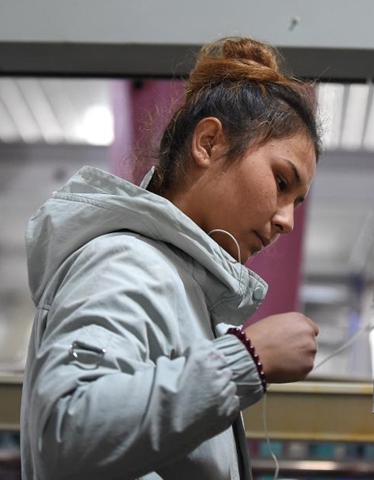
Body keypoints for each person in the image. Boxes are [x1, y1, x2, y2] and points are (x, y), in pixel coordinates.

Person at [20, 37, 322, 480]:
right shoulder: (124, 263)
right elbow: (69, 433)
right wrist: (247, 360)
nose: (285, 222)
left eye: (296, 203)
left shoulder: (186, 290)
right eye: (280, 182)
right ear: (210, 143)